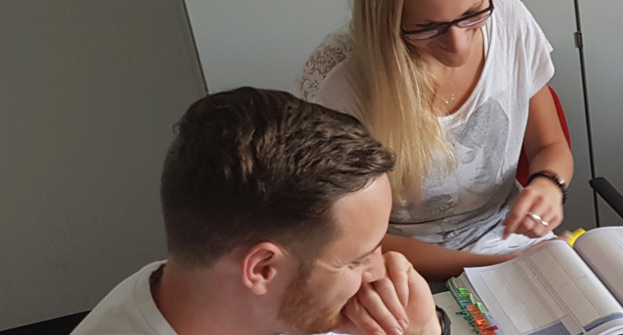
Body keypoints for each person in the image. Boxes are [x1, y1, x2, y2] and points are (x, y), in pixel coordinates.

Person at [303, 0, 573, 279]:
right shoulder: (342, 82)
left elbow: (550, 145)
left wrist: (549, 183)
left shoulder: (511, 23)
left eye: (473, 14)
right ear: (387, 15)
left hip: (511, 244)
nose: (458, 47)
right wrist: (497, 267)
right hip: (402, 268)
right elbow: (350, 238)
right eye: (428, 28)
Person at [73, 88, 439, 335]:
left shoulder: (239, 306)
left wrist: (421, 327)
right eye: (356, 261)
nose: (380, 271)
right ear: (262, 268)